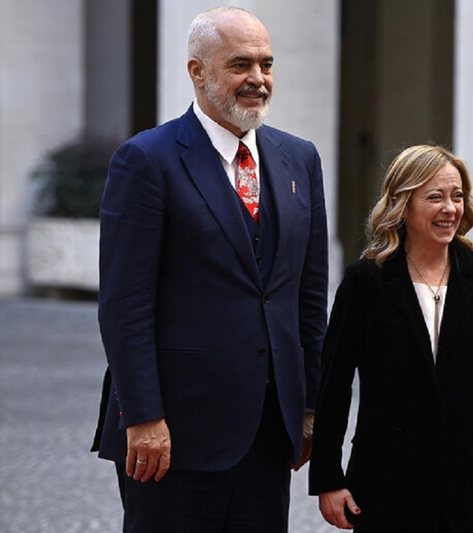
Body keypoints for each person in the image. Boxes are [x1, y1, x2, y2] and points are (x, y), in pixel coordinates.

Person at [90, 6, 328, 532]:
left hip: (270, 428)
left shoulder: (300, 159)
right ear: (198, 71)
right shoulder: (146, 160)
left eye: (266, 64)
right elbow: (125, 304)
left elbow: (309, 297)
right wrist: (144, 416)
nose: (258, 79)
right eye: (240, 64)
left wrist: (311, 407)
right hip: (173, 433)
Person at [309, 145, 473, 532]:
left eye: (457, 196)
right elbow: (334, 385)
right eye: (435, 197)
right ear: (402, 204)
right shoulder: (365, 281)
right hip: (388, 482)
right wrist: (327, 478)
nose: (450, 208)